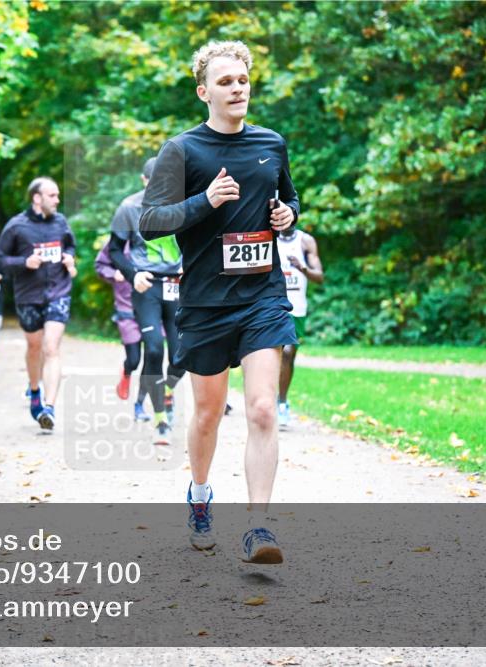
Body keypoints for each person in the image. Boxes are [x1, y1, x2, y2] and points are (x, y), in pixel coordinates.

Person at [140, 41, 300, 563]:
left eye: (243, 80)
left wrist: (288, 218)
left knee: (260, 407)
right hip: (206, 302)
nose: (237, 88)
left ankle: (259, 527)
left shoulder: (271, 143)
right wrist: (204, 201)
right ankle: (202, 496)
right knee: (207, 415)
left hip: (262, 296)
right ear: (204, 91)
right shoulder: (183, 151)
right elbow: (150, 221)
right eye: (226, 81)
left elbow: (291, 198)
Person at [108, 157, 186, 445]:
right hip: (147, 286)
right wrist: (132, 274)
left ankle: (167, 391)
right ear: (144, 181)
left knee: (181, 356)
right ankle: (160, 418)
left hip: (177, 286)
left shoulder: (183, 205)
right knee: (153, 350)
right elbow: (114, 250)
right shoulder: (129, 208)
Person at [0, 177, 77, 431]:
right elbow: (0, 259)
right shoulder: (16, 226)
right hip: (28, 296)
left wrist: (69, 259)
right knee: (34, 347)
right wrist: (24, 263)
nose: (57, 199)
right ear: (37, 198)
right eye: (52, 195)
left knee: (51, 348)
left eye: (58, 195)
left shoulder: (61, 222)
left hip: (58, 292)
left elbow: (71, 246)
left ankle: (49, 408)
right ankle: (34, 391)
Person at [94, 240, 150, 422]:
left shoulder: (157, 239)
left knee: (152, 357)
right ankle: (127, 371)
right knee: (134, 359)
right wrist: (114, 273)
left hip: (152, 308)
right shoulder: (118, 242)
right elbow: (100, 265)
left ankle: (140, 405)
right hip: (126, 310)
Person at [276, 222, 323, 427]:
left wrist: (301, 267)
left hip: (296, 309)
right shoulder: (269, 237)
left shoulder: (305, 241)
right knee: (272, 354)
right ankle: (268, 401)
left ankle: (282, 402)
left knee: (288, 355)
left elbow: (319, 277)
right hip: (272, 304)